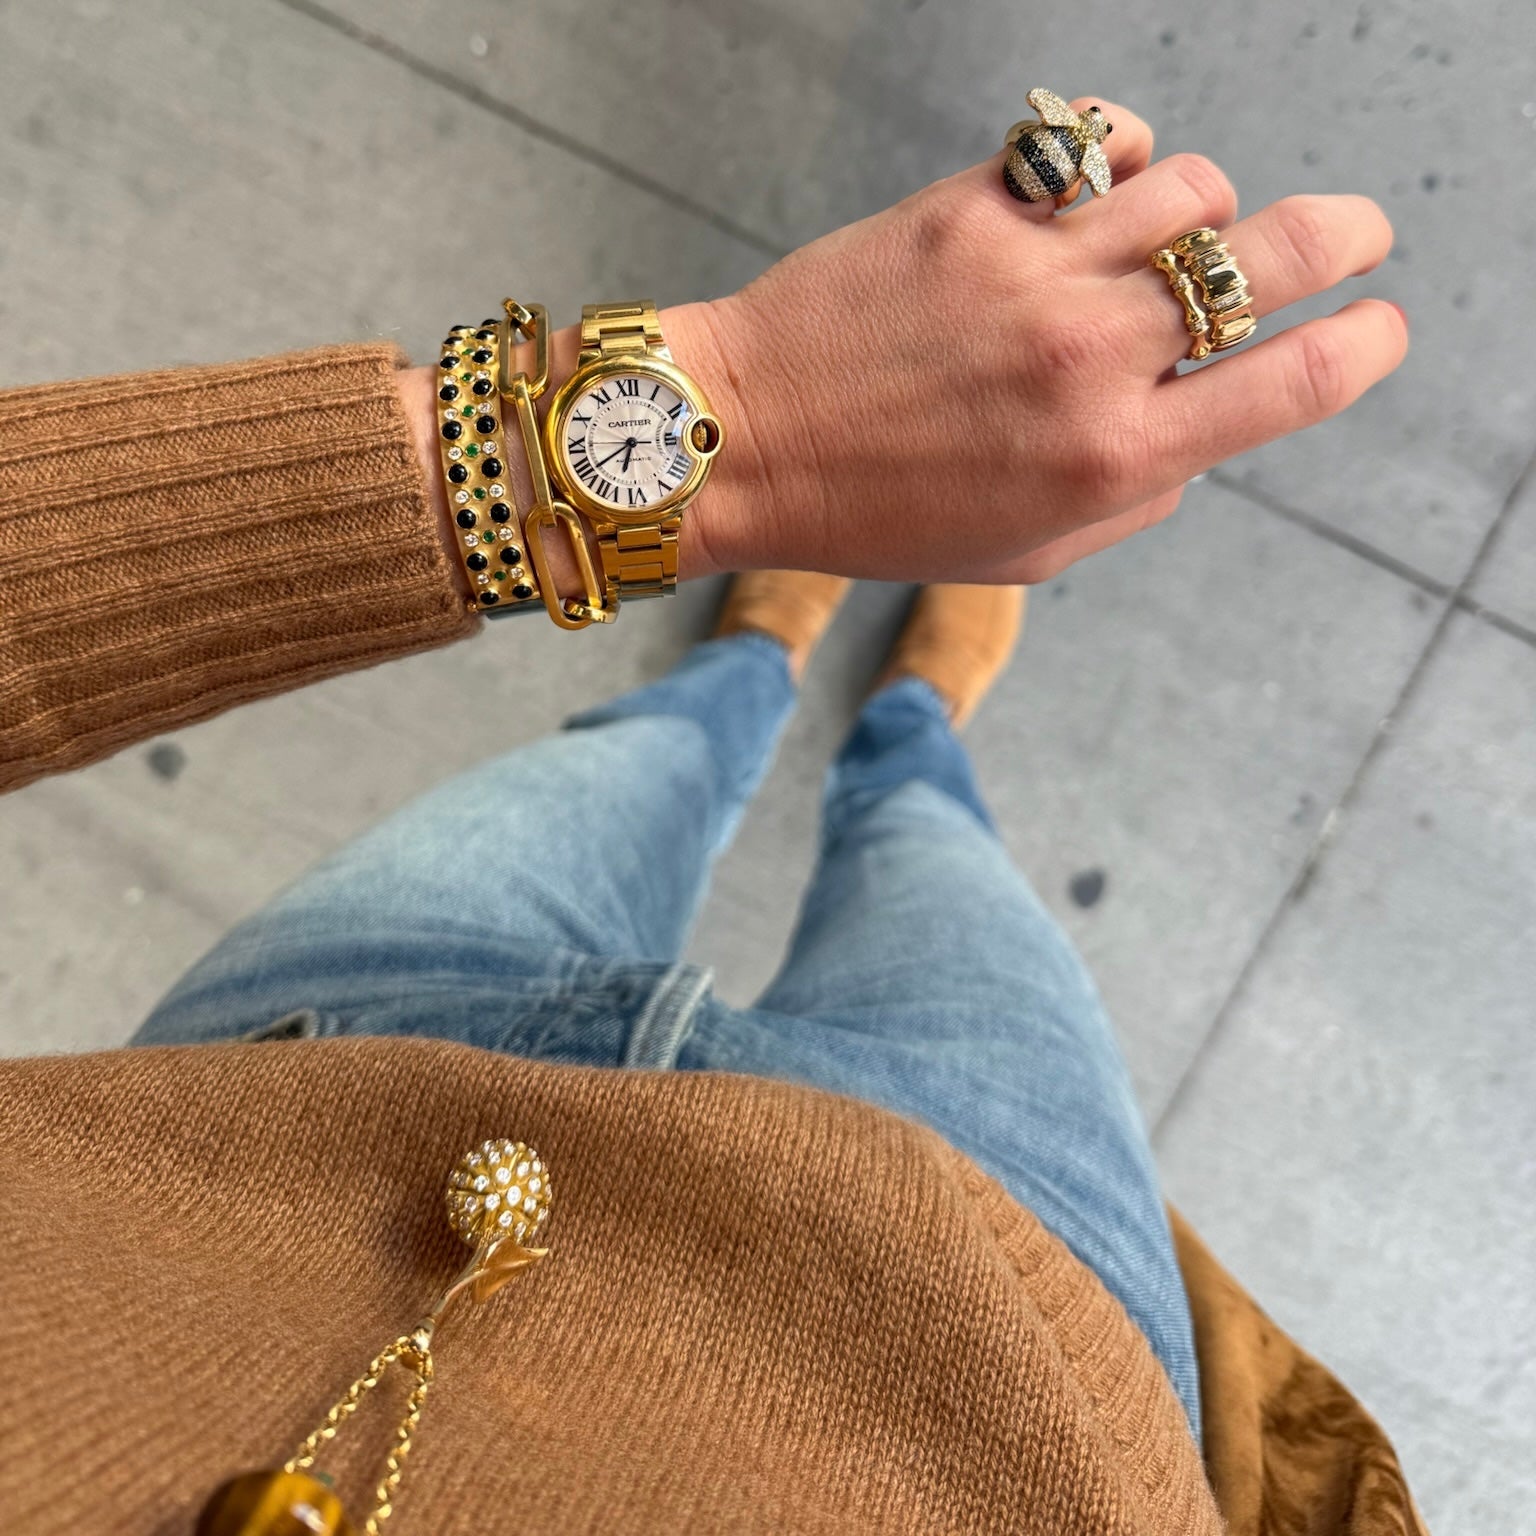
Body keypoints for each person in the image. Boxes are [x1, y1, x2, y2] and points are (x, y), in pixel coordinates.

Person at [1, 101, 1420, 1534]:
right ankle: (913, 715)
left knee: (653, 744)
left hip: (287, 1095)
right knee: (924, 835)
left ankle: (757, 657)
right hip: (1004, 1300)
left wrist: (730, 428)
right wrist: (734, 434)